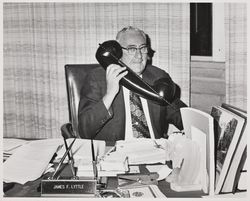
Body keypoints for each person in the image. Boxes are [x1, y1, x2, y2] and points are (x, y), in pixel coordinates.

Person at [78, 26, 187, 141]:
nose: (139, 56)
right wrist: (109, 94)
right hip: (115, 154)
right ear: (118, 53)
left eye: (143, 48)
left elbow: (181, 116)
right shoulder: (97, 78)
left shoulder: (158, 77)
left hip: (154, 152)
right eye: (131, 49)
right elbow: (85, 131)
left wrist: (203, 126)